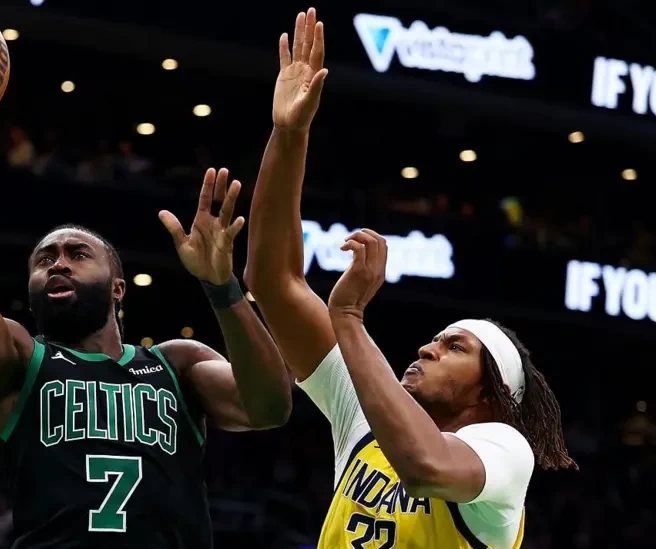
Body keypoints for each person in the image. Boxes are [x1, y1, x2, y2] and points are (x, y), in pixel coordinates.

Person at [0, 31, 292, 549]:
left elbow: (269, 406)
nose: (58, 265)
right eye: (44, 260)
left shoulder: (177, 365)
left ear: (118, 288)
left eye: (77, 254)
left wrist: (221, 286)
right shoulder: (20, 361)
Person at [243, 8, 577, 549]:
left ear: (491, 393)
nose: (427, 348)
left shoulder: (503, 450)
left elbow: (424, 467)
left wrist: (349, 317)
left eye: (454, 347)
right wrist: (289, 134)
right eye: (437, 339)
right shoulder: (369, 417)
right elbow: (272, 280)